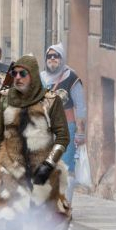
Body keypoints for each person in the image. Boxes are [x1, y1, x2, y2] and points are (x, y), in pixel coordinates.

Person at [0, 54, 71, 230]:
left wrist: (49, 164)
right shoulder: (5, 100)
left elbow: (62, 137)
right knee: (9, 219)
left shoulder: (51, 100)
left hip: (44, 172)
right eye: (15, 73)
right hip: (12, 171)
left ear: (32, 75)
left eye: (23, 73)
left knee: (47, 222)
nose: (18, 78)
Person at [40, 43, 86, 203]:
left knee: (66, 166)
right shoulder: (41, 78)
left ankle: (65, 204)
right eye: (49, 56)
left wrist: (80, 131)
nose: (52, 59)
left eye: (56, 56)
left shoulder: (72, 77)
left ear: (62, 58)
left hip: (67, 128)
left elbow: (80, 106)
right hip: (45, 129)